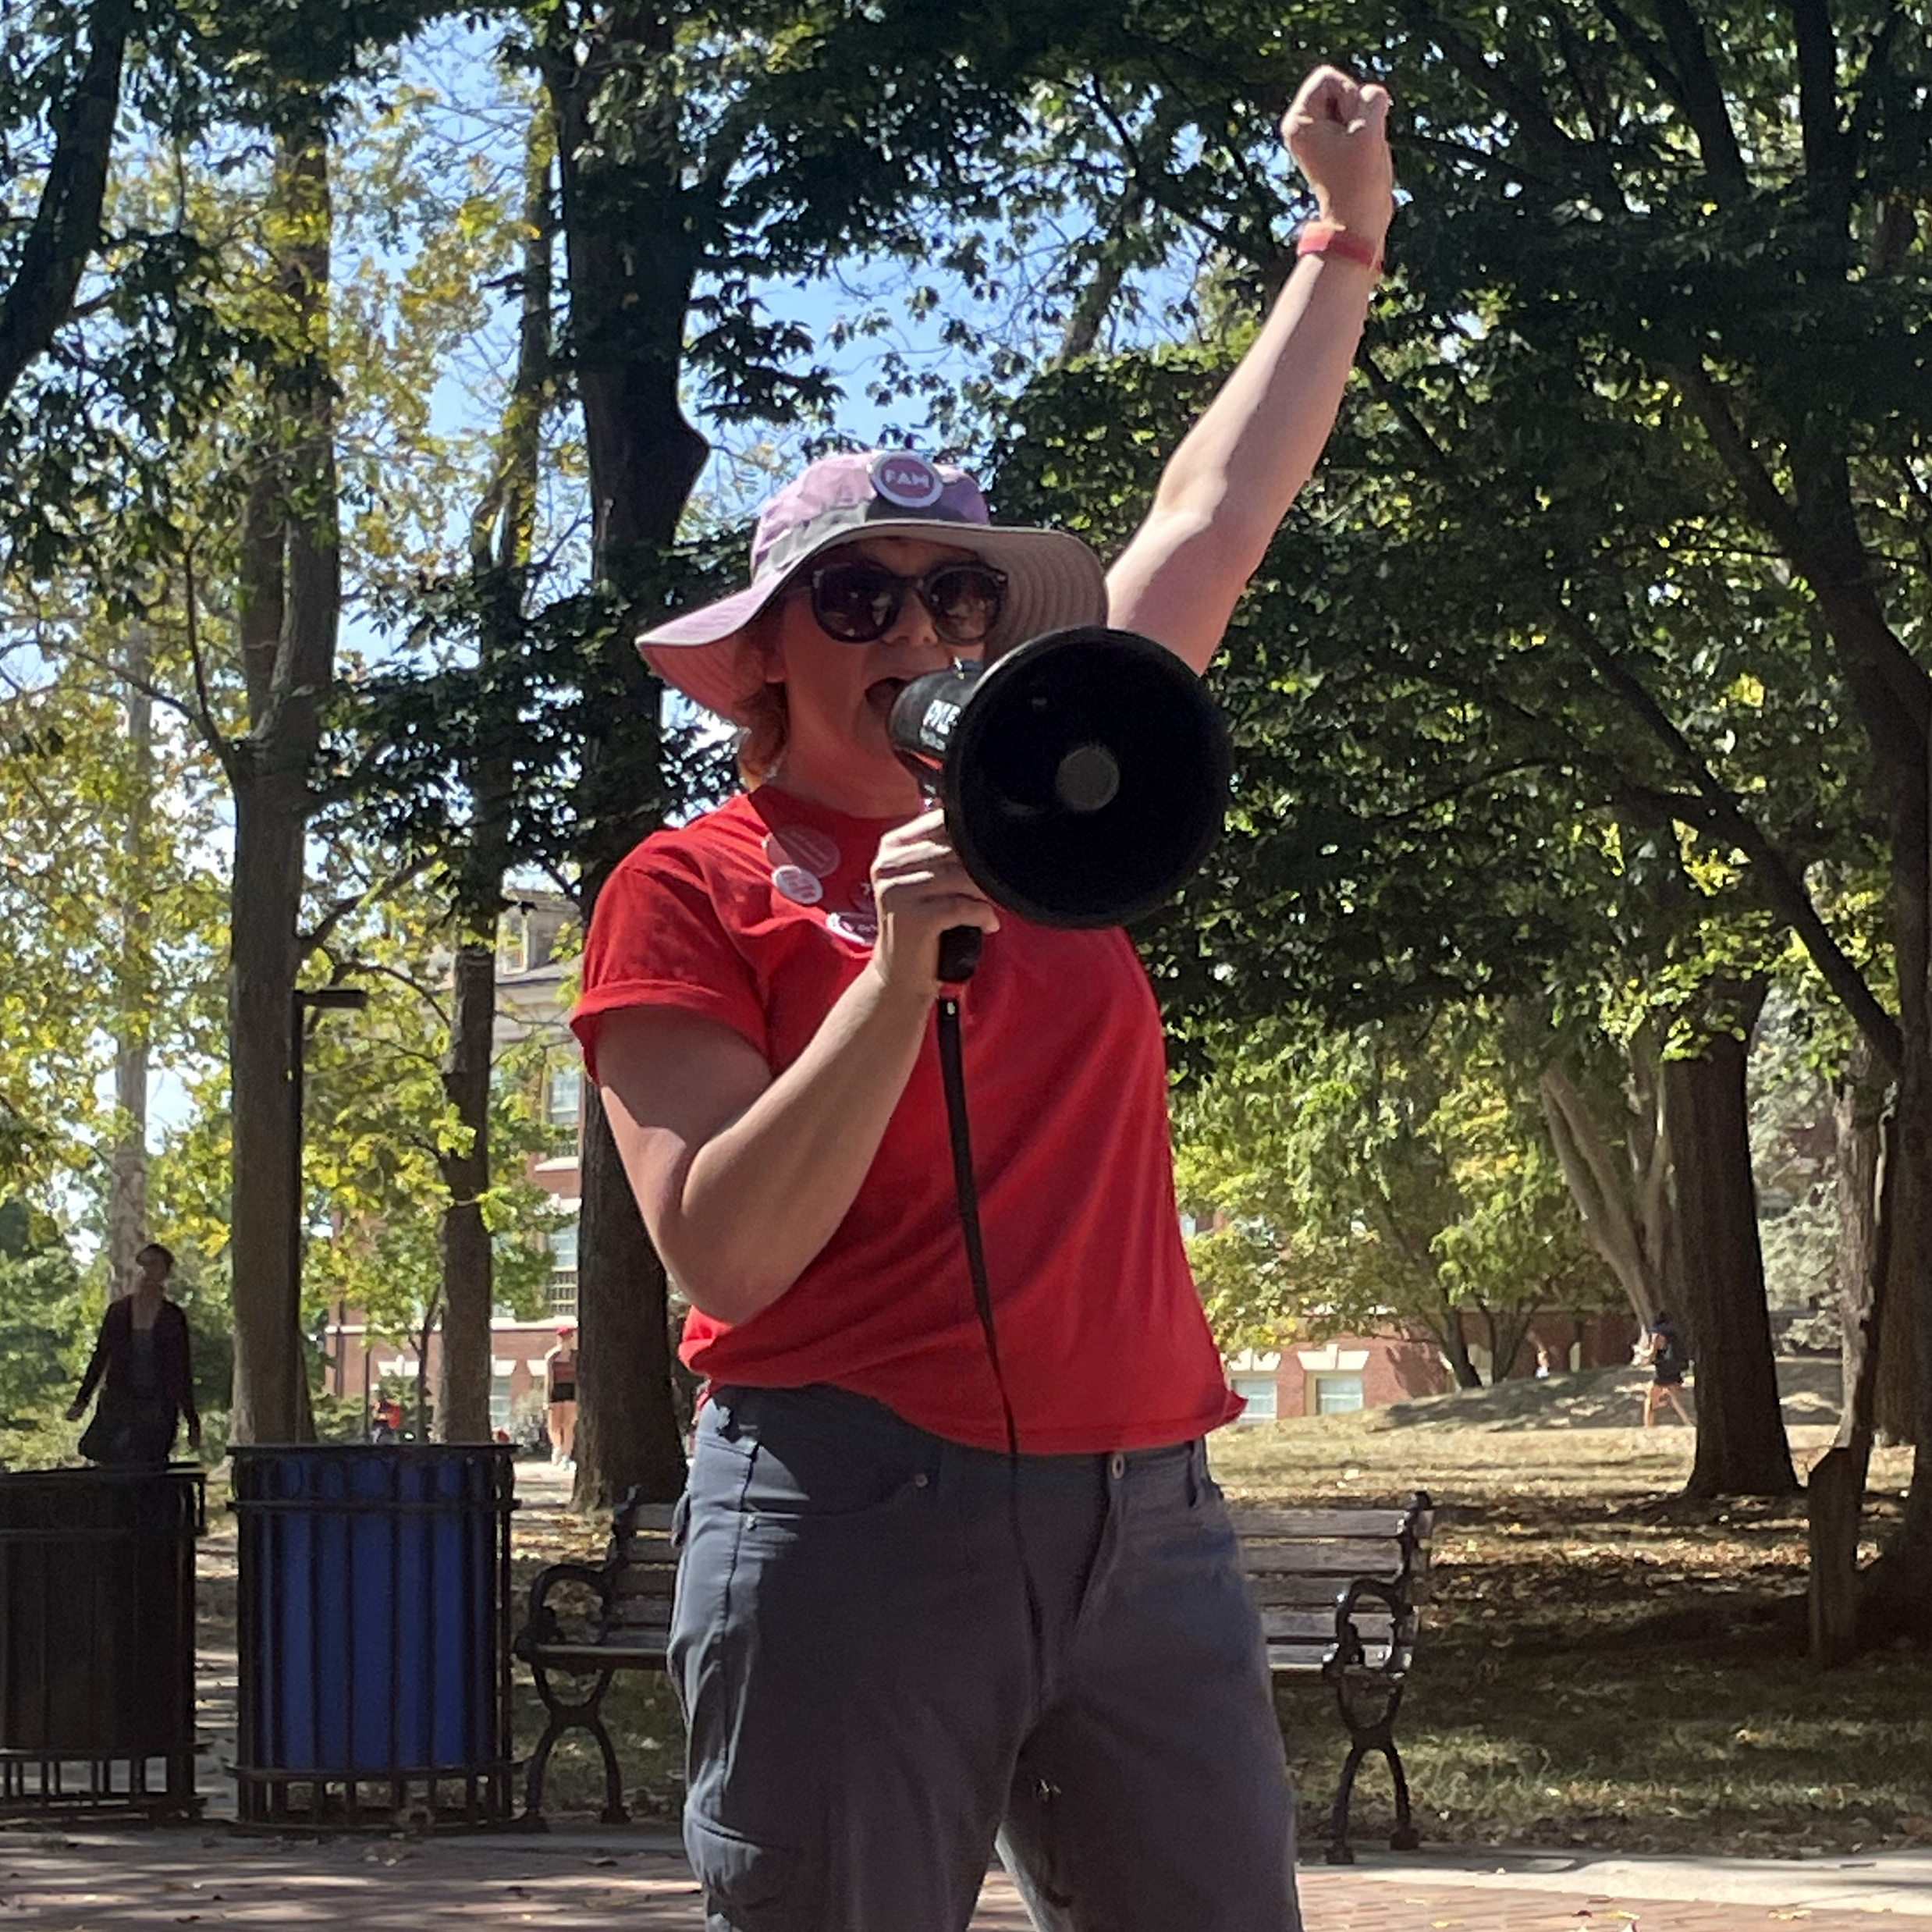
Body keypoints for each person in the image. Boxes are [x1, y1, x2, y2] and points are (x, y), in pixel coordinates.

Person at [574, 65, 1393, 1932]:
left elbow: (1214, 503)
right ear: (763, 656)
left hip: (1149, 1520)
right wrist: (887, 975)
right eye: (853, 605)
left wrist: (1340, 233)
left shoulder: (1048, 784)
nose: (920, 635)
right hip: (849, 1518)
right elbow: (720, 1252)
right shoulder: (685, 887)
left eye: (952, 597)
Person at [66, 1242, 202, 1469]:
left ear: (165, 1272)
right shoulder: (118, 1313)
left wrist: (192, 1420)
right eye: (142, 1264)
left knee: (151, 1464)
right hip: (120, 1403)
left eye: (153, 1265)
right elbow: (101, 1357)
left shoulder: (172, 1318)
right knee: (112, 1462)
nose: (146, 1271)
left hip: (157, 1406)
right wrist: (82, 1399)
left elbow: (180, 1370)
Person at [1641, 1312, 1694, 1427]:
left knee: (1650, 1397)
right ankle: (1688, 1422)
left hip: (1663, 1368)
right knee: (1674, 1395)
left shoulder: (1657, 1333)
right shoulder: (1674, 1333)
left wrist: (1640, 1352)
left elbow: (1652, 1353)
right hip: (1676, 1367)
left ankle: (1648, 1426)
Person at [545, 1323, 578, 1469]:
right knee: (554, 1425)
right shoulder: (552, 1356)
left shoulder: (576, 1356)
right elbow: (549, 1378)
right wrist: (547, 1397)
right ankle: (557, 1447)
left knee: (569, 1424)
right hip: (557, 1390)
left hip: (571, 1390)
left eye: (568, 1337)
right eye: (563, 1337)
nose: (566, 1340)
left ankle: (566, 1456)